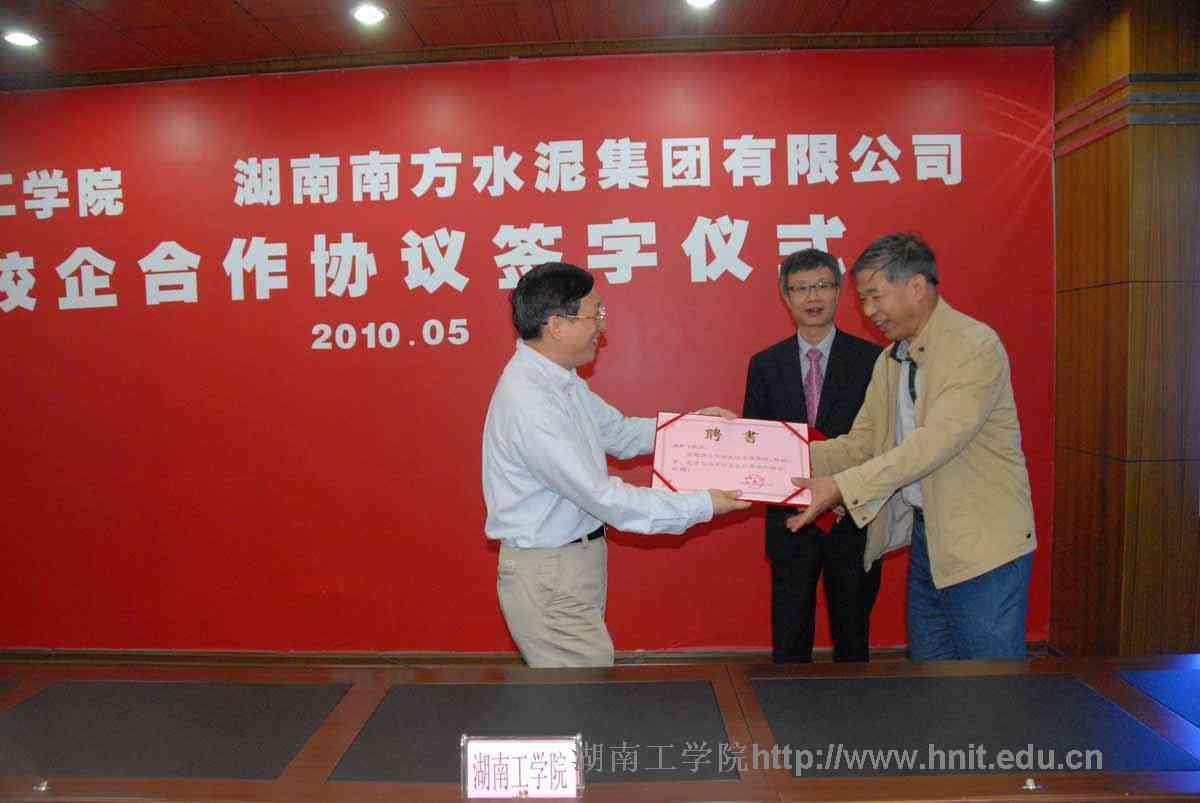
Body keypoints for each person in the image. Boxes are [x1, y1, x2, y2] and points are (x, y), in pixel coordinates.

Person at [482, 262, 750, 668]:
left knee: (582, 690)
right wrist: (704, 504)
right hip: (550, 572)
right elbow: (602, 496)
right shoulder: (531, 401)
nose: (602, 327)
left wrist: (693, 429)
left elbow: (619, 432)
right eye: (595, 314)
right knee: (584, 692)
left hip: (568, 566)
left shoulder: (559, 379)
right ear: (557, 325)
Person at [787, 233, 1036, 661]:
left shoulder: (973, 346)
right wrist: (765, 453)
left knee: (990, 686)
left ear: (917, 286)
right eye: (863, 299)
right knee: (931, 679)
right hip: (928, 540)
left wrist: (842, 487)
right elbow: (863, 443)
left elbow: (934, 443)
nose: (869, 311)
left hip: (983, 547)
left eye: (875, 296)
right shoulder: (892, 359)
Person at [743, 248, 882, 663]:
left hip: (851, 517)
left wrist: (842, 493)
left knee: (853, 638)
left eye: (822, 285)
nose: (812, 297)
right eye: (800, 288)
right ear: (785, 296)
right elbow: (756, 446)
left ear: (839, 291)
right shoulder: (765, 365)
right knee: (790, 641)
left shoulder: (874, 361)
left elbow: (881, 441)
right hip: (791, 524)